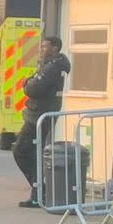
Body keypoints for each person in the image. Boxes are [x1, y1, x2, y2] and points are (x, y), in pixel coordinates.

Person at [13, 36, 71, 208]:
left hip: (39, 115)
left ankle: (41, 191)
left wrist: (26, 84)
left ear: (55, 48)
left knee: (21, 152)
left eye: (45, 46)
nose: (41, 49)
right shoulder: (49, 65)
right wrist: (28, 82)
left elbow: (33, 88)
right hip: (38, 115)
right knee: (33, 154)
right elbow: (31, 82)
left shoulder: (53, 67)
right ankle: (38, 193)